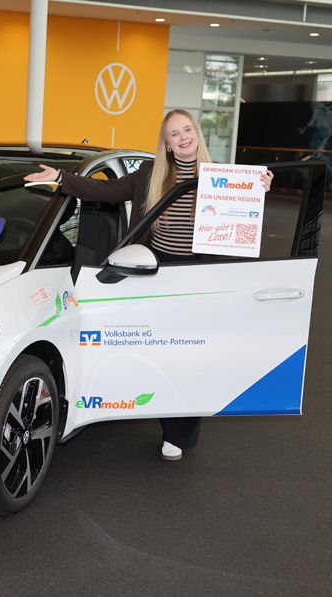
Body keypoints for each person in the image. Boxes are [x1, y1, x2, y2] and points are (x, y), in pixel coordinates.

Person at [25, 109, 274, 461]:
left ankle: (178, 433)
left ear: (197, 135)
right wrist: (63, 179)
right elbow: (106, 190)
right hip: (154, 273)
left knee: (191, 358)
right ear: (168, 144)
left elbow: (242, 225)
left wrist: (257, 189)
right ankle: (154, 406)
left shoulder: (225, 176)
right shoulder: (149, 174)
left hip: (201, 278)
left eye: (188, 129)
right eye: (175, 134)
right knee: (160, 352)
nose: (183, 137)